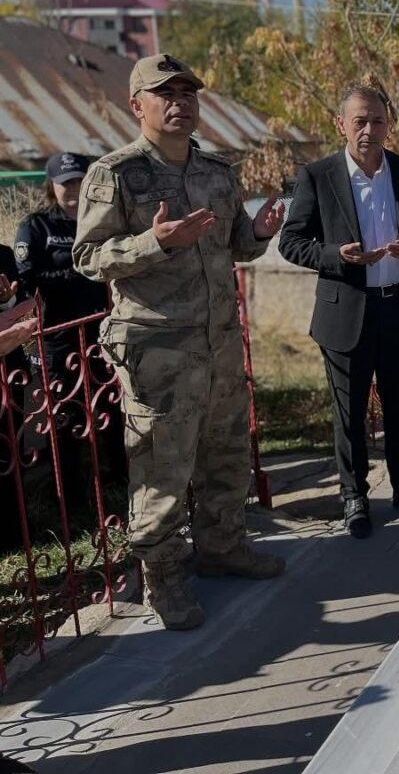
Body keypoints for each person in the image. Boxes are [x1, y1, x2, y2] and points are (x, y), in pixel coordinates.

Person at [72, 53, 287, 631]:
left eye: (188, 92)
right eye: (165, 93)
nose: (180, 102)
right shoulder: (114, 175)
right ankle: (162, 578)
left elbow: (235, 246)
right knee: (161, 466)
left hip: (217, 341)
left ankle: (222, 546)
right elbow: (89, 258)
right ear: (136, 104)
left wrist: (259, 233)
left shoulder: (218, 172)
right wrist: (154, 243)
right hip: (156, 348)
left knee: (224, 451)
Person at [278, 84, 399, 539]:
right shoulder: (318, 175)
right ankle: (354, 497)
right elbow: (291, 242)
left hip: (398, 309)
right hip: (346, 312)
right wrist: (336, 256)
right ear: (341, 124)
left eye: (378, 121)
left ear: (389, 125)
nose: (369, 130)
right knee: (348, 414)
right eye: (360, 121)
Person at [16, 153, 125, 506]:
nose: (74, 190)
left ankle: (118, 479)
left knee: (111, 408)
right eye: (66, 184)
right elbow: (24, 278)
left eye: (79, 181)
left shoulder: (100, 222)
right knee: (64, 417)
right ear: (52, 186)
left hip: (101, 333)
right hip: (58, 338)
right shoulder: (36, 227)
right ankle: (72, 497)